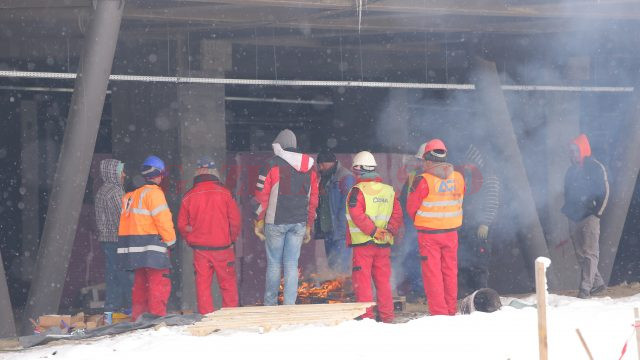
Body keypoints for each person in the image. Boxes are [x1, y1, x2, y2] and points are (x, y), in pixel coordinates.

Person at [253, 129, 319, 305]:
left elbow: (261, 196)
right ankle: (289, 306)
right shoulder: (311, 168)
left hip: (275, 222)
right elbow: (313, 199)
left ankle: (270, 305)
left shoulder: (271, 165)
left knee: (274, 264)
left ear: (279, 145)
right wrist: (309, 224)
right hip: (298, 223)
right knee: (291, 264)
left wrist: (258, 219)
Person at [407, 139, 465, 316]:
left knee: (433, 275)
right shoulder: (458, 177)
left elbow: (411, 207)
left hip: (429, 235)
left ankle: (439, 314)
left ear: (428, 160)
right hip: (451, 233)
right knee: (450, 273)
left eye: (423, 161)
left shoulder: (422, 180)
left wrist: (421, 219)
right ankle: (450, 310)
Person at [178, 156, 241, 314]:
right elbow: (235, 221)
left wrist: (190, 238)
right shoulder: (226, 193)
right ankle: (231, 317)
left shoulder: (189, 196)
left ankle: (206, 317)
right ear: (215, 172)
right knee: (228, 285)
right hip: (223, 248)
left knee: (203, 286)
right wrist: (231, 239)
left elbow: (181, 225)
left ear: (197, 173)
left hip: (200, 250)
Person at [346, 151, 402, 323]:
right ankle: (387, 317)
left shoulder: (357, 191)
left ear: (358, 170)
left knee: (362, 282)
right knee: (383, 282)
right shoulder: (388, 191)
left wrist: (372, 231)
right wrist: (389, 231)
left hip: (364, 244)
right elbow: (397, 214)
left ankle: (366, 318)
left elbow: (357, 215)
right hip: (383, 245)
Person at [118, 155, 176, 320]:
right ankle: (156, 318)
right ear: (158, 174)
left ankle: (139, 318)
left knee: (140, 286)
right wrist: (171, 242)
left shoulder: (129, 196)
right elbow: (163, 220)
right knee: (158, 284)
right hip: (153, 249)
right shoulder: (154, 194)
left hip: (134, 250)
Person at [561, 134, 609, 299]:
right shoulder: (570, 170)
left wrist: (597, 213)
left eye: (575, 150)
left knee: (589, 252)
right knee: (581, 254)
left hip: (589, 216)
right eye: (571, 151)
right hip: (573, 216)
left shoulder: (595, 167)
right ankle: (597, 283)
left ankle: (585, 289)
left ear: (583, 150)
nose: (572, 154)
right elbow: (567, 192)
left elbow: (604, 190)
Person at [457, 144, 501, 298]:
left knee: (479, 264)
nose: (466, 166)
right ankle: (467, 295)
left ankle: (481, 295)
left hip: (481, 228)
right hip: (466, 227)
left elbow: (492, 201)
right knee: (464, 262)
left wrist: (485, 222)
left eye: (469, 163)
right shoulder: (467, 177)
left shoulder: (488, 177)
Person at [95, 158, 132, 312]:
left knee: (113, 275)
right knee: (123, 274)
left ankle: (111, 309)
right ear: (113, 173)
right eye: (121, 171)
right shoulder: (115, 192)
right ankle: (132, 306)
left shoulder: (103, 190)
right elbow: (124, 216)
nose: (124, 175)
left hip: (107, 239)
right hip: (117, 239)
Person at [393, 142, 427, 300]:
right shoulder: (414, 176)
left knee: (423, 260)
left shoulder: (440, 177)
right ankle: (417, 289)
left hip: (428, 227)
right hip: (414, 227)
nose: (419, 162)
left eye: (421, 159)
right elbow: (404, 200)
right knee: (410, 258)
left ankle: (422, 290)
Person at [315, 149, 355, 274]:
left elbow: (347, 206)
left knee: (341, 267)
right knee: (332, 266)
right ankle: (335, 291)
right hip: (328, 229)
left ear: (330, 163)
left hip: (340, 231)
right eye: (319, 164)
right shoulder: (324, 178)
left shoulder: (345, 177)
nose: (320, 167)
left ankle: (341, 292)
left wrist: (342, 229)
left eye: (321, 164)